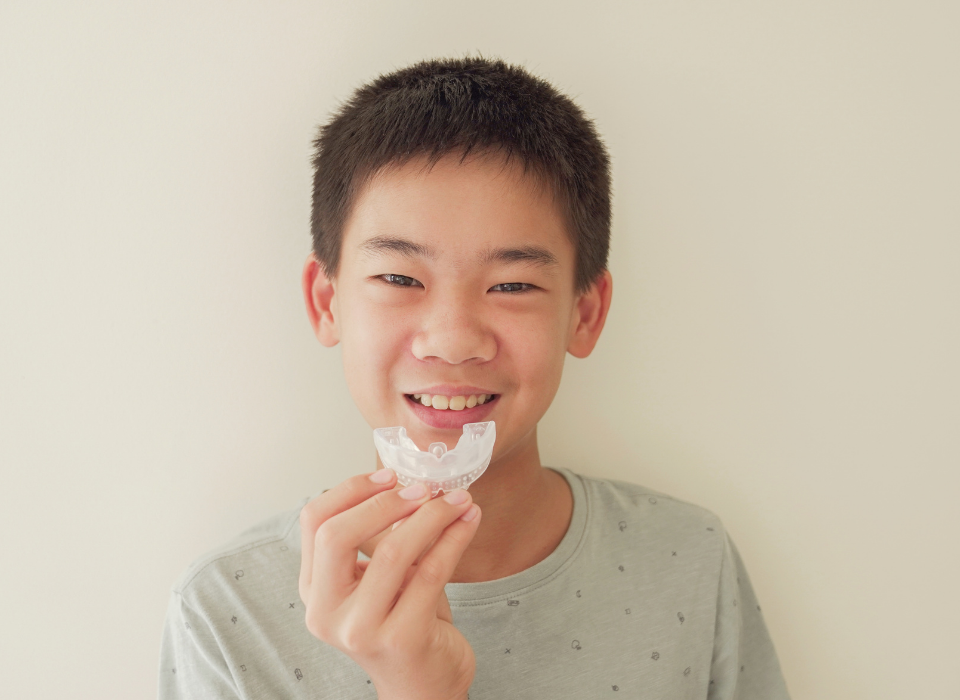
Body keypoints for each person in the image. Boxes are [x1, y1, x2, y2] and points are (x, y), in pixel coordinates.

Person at [159, 56, 790, 699]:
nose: (454, 340)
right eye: (400, 279)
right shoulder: (225, 612)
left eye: (512, 284)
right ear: (327, 303)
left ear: (585, 313)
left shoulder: (688, 561)